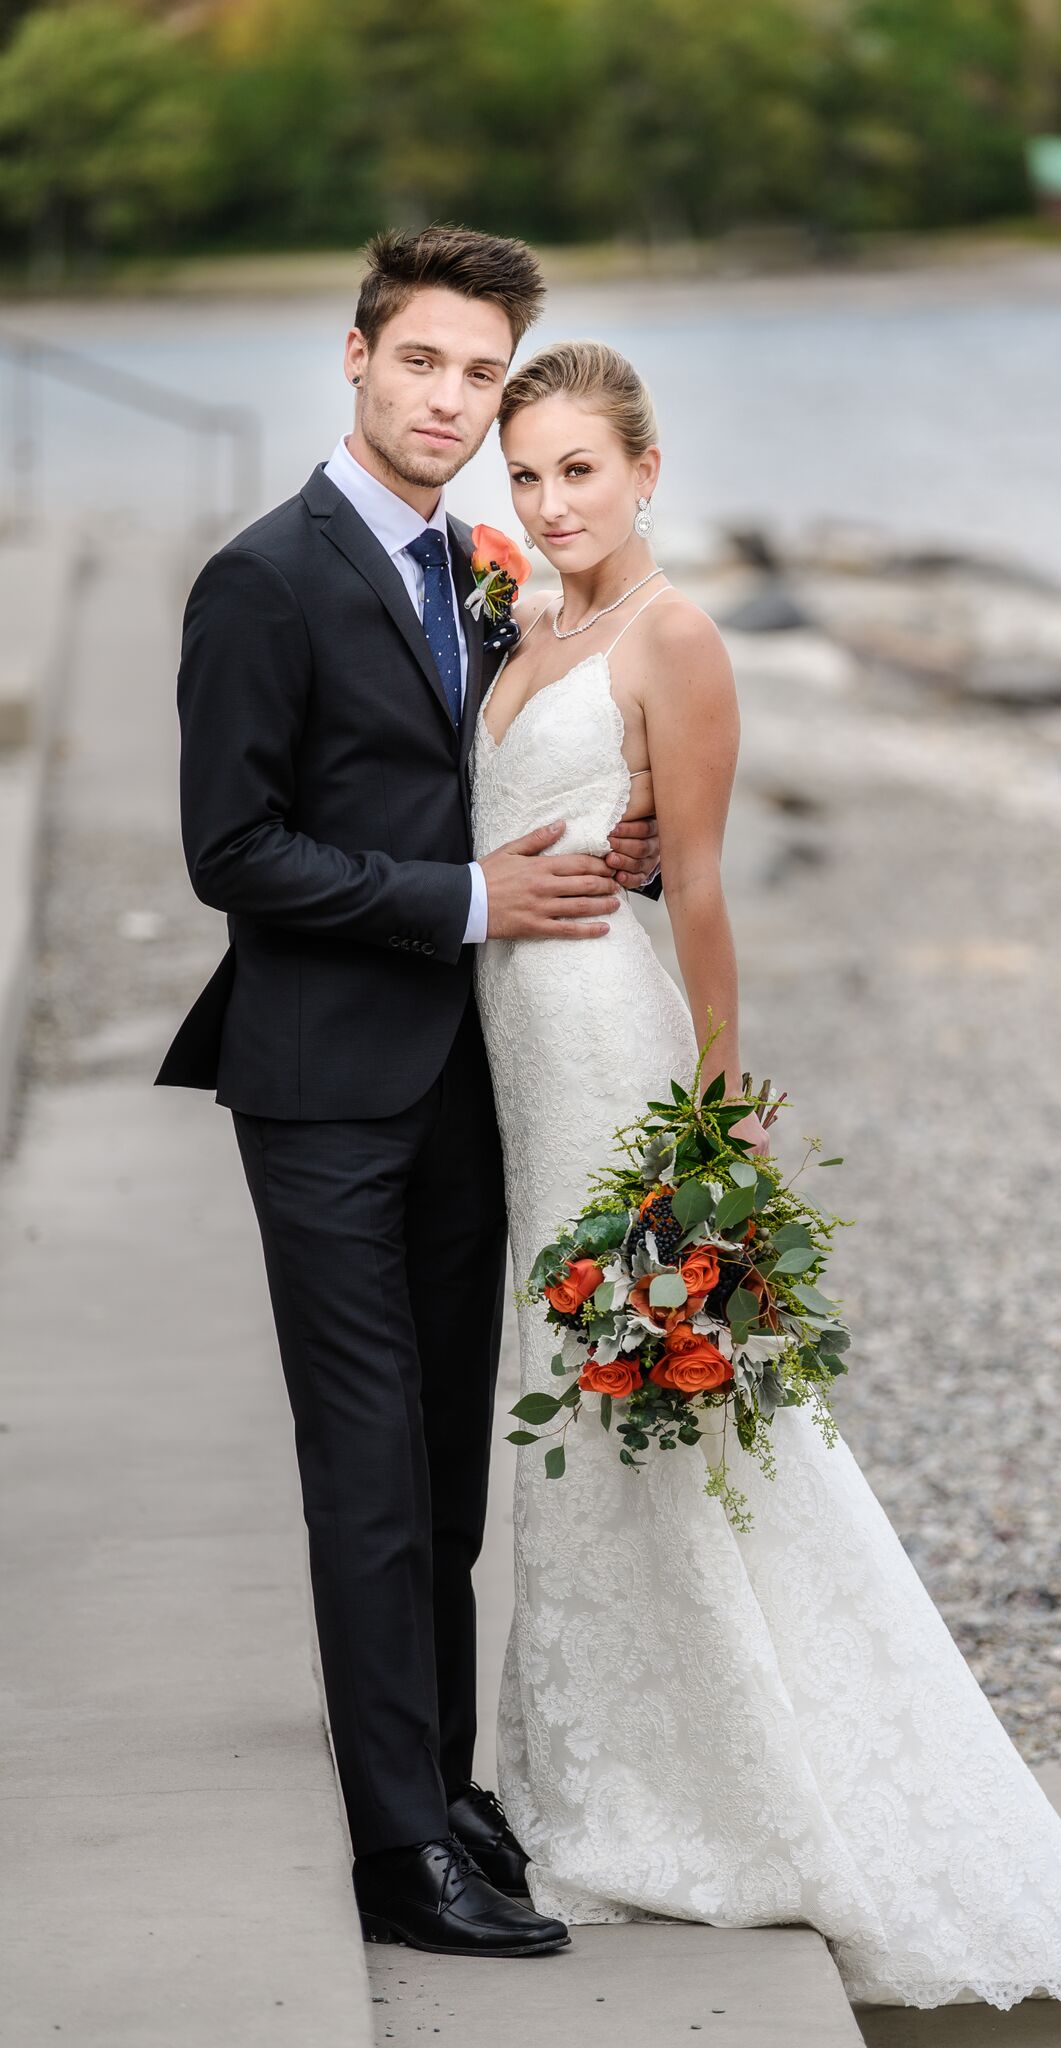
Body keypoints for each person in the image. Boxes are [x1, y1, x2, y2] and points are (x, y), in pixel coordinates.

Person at [473, 340, 1061, 2013]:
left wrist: (716, 1132)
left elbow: (700, 889)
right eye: (529, 474)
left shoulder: (676, 636)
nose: (554, 500)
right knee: (571, 1401)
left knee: (657, 1389)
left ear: (648, 470)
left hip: (611, 1054)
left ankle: (737, 1794)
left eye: (582, 468)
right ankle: (603, 1780)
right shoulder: (524, 625)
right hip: (513, 1039)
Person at [156, 226, 665, 1959]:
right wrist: (464, 901)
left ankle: (438, 1787)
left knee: (447, 1473)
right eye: (423, 363)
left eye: (478, 371)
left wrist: (608, 846)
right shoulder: (263, 577)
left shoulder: (477, 562)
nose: (449, 399)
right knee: (367, 1474)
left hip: (471, 1075)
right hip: (320, 1092)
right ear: (356, 359)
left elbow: (483, 778)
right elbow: (233, 852)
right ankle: (396, 1860)